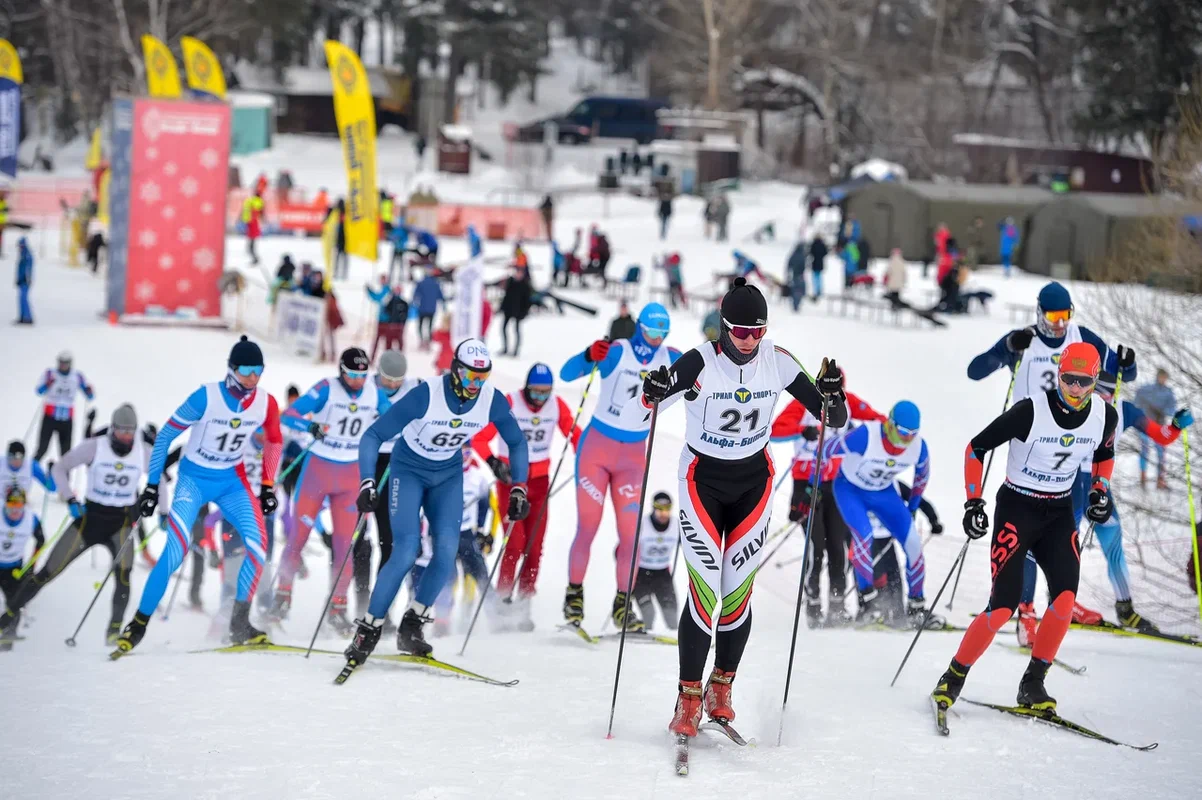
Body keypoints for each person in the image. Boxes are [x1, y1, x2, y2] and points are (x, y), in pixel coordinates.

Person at [623, 277, 847, 738]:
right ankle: (688, 696)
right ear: (724, 327)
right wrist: (653, 389)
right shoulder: (700, 361)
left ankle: (721, 687)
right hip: (702, 482)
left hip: (753, 485)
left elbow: (833, 418)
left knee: (736, 593)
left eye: (757, 331)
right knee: (705, 593)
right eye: (741, 332)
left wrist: (833, 393)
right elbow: (644, 409)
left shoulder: (777, 361)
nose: (749, 340)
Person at [932, 342, 1118, 716]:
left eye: (1083, 381)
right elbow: (975, 448)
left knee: (1064, 599)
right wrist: (973, 502)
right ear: (1058, 375)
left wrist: (1100, 490)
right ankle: (953, 676)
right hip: (1017, 507)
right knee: (1003, 606)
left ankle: (1033, 683)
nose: (1075, 389)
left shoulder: (1105, 416)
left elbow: (1104, 453)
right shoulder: (1030, 411)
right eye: (1068, 379)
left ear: (1095, 379)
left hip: (1058, 513)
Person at [342, 339, 530, 664]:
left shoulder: (490, 400)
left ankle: (412, 625)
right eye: (470, 376)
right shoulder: (426, 394)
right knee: (406, 550)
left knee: (445, 554)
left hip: (447, 476)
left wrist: (519, 489)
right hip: (408, 471)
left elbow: (517, 441)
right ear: (456, 370)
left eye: (482, 377)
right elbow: (373, 435)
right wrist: (367, 482)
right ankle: (368, 628)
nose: (475, 385)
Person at [969, 281, 1136, 627]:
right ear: (1039, 313)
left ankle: (1059, 602)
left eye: (1065, 316)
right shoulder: (1025, 340)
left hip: (1069, 444)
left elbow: (1121, 374)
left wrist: (1128, 364)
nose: (1059, 324)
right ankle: (1025, 609)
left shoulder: (1082, 337)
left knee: (1062, 529)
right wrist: (1006, 351)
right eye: (1052, 316)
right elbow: (976, 370)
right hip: (1030, 441)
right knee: (1026, 529)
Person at [112, 336, 283, 655]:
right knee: (175, 552)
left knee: (258, 548)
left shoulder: (266, 403)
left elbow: (275, 440)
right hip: (194, 481)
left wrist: (268, 485)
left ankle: (239, 624)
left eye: (258, 371)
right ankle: (137, 624)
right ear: (231, 369)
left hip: (232, 482)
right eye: (246, 370)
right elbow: (165, 436)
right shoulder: (206, 397)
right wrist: (151, 486)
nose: (252, 377)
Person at [559, 303, 680, 632]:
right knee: (588, 527)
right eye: (652, 331)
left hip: (632, 459)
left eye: (663, 333)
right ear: (640, 326)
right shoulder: (617, 351)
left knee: (630, 536)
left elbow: (702, 377)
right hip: (596, 451)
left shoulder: (671, 358)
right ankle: (574, 596)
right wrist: (589, 355)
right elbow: (567, 374)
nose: (657, 339)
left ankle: (622, 604)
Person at [1052, 371, 1192, 634]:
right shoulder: (1072, 404)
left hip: (1098, 485)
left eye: (1106, 395)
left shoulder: (1124, 410)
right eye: (1095, 393)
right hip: (1069, 483)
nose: (1100, 400)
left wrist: (1175, 425)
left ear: (1114, 393)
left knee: (1114, 541)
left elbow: (1162, 436)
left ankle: (1125, 608)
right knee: (1066, 545)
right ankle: (1060, 604)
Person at [271, 348, 394, 633]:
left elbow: (395, 420)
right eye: (351, 375)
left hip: (350, 477)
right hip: (318, 472)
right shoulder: (326, 388)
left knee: (344, 545)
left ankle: (338, 608)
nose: (357, 381)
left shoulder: (375, 393)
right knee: (298, 537)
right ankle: (282, 597)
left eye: (362, 375)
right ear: (341, 371)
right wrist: (310, 425)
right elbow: (288, 416)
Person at [0, 405, 145, 646]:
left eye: (131, 431)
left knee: (124, 575)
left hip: (120, 523)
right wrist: (69, 498)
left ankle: (114, 631)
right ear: (113, 428)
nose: (127, 435)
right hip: (89, 520)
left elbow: (159, 478)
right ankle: (7, 618)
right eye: (122, 430)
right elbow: (60, 468)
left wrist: (159, 506)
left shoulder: (143, 450)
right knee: (48, 571)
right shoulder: (94, 446)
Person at [770, 381, 886, 627]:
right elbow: (775, 430)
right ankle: (813, 605)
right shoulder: (803, 403)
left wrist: (886, 429)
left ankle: (837, 607)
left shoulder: (848, 401)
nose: (832, 395)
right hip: (806, 484)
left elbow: (877, 419)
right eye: (828, 391)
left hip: (836, 485)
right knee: (815, 548)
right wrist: (801, 430)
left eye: (837, 391)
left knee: (837, 547)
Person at [473, 363, 581, 620]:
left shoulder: (557, 405)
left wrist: (587, 456)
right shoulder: (510, 403)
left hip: (540, 483)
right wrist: (493, 462)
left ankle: (524, 602)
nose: (540, 399)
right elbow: (478, 438)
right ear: (526, 388)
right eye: (535, 392)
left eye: (545, 392)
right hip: (511, 483)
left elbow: (576, 434)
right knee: (514, 544)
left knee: (534, 546)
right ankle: (502, 599)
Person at [824, 401, 931, 623]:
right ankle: (868, 604)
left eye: (912, 434)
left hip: (883, 493)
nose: (906, 440)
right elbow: (827, 450)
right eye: (903, 433)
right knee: (864, 536)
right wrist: (811, 485)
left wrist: (912, 507)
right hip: (850, 489)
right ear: (890, 424)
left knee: (913, 543)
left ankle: (916, 606)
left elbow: (921, 478)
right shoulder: (867, 436)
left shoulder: (918, 447)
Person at [351, 349, 421, 628]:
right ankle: (359, 601)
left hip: (396, 466)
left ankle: (380, 608)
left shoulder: (414, 389)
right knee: (359, 539)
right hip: (365, 464)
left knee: (390, 542)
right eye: (387, 379)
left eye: (397, 380)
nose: (392, 385)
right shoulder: (365, 387)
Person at [0, 487, 44, 649]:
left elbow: (41, 540)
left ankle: (8, 636)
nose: (14, 511)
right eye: (11, 506)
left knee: (14, 602)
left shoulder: (31, 519)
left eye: (18, 507)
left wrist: (31, 566)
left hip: (14, 569)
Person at [34, 351, 95, 463]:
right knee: (42, 449)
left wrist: (89, 390)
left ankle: (64, 474)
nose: (63, 365)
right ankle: (31, 469)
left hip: (66, 419)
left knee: (66, 453)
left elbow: (90, 396)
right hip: (50, 417)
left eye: (65, 363)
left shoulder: (77, 376)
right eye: (61, 362)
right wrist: (47, 384)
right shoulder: (50, 373)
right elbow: (38, 391)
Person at [631, 492, 679, 630]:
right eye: (659, 511)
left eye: (667, 510)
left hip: (662, 575)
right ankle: (643, 638)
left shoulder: (677, 524)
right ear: (653, 509)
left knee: (671, 614)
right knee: (649, 613)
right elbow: (621, 550)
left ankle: (676, 639)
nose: (663, 514)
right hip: (641, 575)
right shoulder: (642, 524)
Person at [1134, 369, 1176, 490]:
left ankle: (1160, 480)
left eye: (1165, 377)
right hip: (1146, 425)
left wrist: (1163, 411)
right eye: (1161, 376)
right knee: (1145, 451)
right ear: (1157, 376)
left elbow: (1172, 409)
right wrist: (1142, 412)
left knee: (1161, 453)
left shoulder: (1168, 392)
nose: (1163, 379)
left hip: (1160, 426)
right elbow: (1137, 400)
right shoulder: (1147, 389)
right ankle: (1143, 478)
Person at [367, 276, 408, 360]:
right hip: (386, 321)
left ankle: (384, 359)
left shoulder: (388, 292)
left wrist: (370, 292)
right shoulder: (387, 291)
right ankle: (379, 359)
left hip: (386, 322)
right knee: (385, 342)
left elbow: (378, 298)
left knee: (386, 342)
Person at [498, 265, 533, 357]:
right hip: (508, 310)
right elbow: (506, 296)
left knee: (516, 330)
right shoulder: (511, 282)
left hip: (519, 312)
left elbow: (527, 301)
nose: (518, 274)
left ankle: (516, 350)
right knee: (504, 328)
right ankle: (505, 348)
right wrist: (502, 308)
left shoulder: (525, 285)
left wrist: (524, 313)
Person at [413, 269, 444, 349]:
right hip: (432, 309)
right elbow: (440, 296)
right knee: (430, 326)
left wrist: (414, 304)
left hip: (422, 308)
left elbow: (416, 295)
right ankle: (429, 342)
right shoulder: (436, 284)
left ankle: (421, 340)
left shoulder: (420, 283)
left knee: (420, 325)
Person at [242, 190, 264, 265]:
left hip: (251, 229)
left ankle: (254, 258)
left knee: (251, 246)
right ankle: (254, 257)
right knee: (251, 245)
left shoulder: (251, 202)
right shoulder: (258, 203)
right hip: (253, 228)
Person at [16, 237, 33, 325]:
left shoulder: (27, 255)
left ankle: (27, 317)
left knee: (24, 299)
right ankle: (22, 316)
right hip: (22, 280)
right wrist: (18, 279)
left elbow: (27, 268)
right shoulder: (23, 254)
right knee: (21, 299)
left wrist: (26, 278)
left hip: (25, 281)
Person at [786, 241, 807, 312]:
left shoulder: (793, 255)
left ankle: (795, 304)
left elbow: (789, 264)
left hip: (794, 275)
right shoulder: (802, 256)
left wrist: (788, 274)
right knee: (799, 291)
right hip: (800, 275)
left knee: (794, 290)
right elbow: (803, 266)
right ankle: (797, 304)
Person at [808, 236, 827, 300]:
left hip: (815, 263)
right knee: (820, 277)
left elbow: (811, 253)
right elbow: (825, 253)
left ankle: (815, 290)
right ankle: (820, 290)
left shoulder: (813, 244)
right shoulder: (822, 245)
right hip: (821, 263)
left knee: (815, 278)